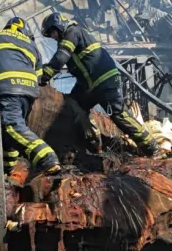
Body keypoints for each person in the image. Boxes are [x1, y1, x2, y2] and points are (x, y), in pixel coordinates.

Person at [39, 12, 159, 156]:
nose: (53, 37)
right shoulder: (72, 36)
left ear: (59, 26)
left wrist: (44, 76)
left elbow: (61, 57)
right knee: (73, 106)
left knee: (118, 114)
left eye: (52, 32)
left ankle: (151, 147)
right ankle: (92, 143)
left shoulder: (72, 32)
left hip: (104, 81)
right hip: (89, 85)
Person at [0, 16, 61, 175]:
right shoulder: (32, 45)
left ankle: (47, 158)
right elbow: (39, 76)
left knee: (10, 125)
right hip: (28, 93)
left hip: (7, 87)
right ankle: (7, 170)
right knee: (10, 135)